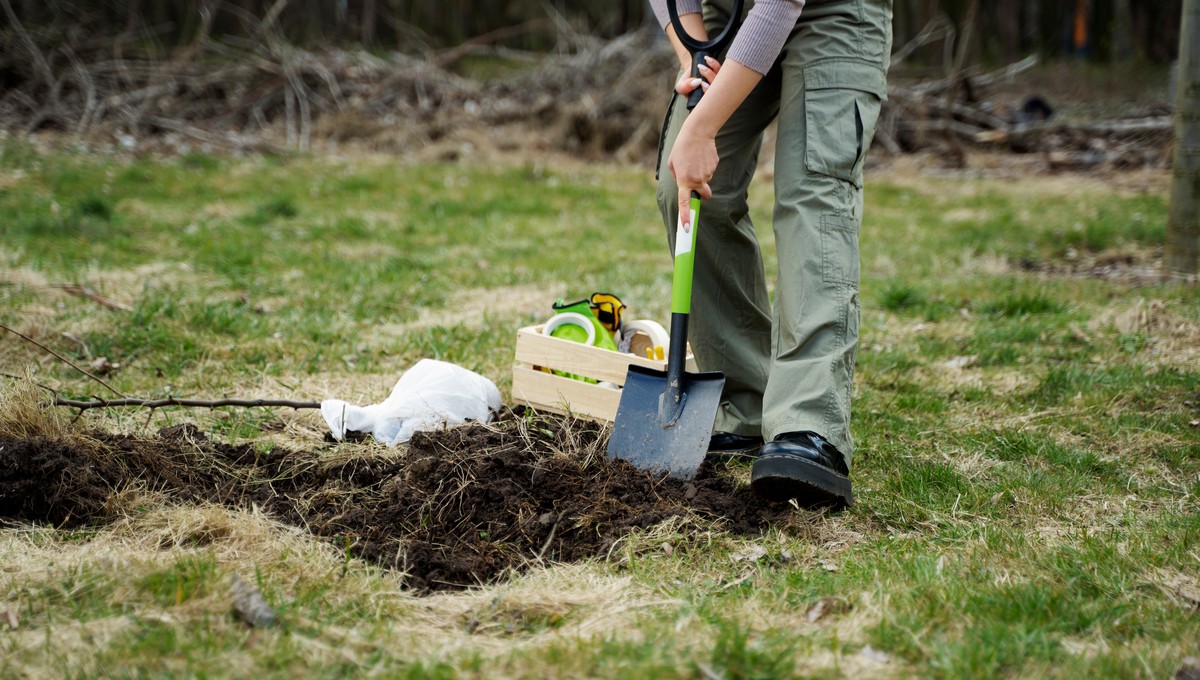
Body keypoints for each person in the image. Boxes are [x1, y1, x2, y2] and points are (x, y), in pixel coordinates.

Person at [646, 0, 892, 509]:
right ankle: (744, 403)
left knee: (814, 195)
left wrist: (703, 126)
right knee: (685, 191)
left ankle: (809, 422)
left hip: (834, 13)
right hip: (729, 10)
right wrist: (691, 48)